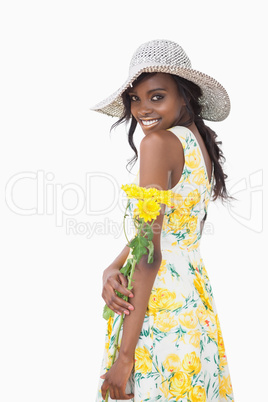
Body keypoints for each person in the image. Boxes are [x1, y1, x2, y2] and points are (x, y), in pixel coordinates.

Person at [91, 39, 235, 402]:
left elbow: (151, 254)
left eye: (157, 96)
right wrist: (112, 266)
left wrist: (125, 357)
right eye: (135, 99)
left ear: (184, 96)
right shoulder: (196, 142)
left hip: (161, 317)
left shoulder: (158, 143)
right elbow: (168, 232)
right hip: (195, 310)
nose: (142, 109)